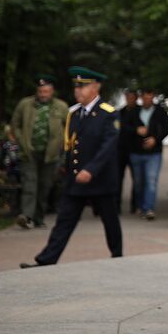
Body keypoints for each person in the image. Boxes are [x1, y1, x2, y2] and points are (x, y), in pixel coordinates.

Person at [21, 67, 124, 267]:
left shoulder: (108, 114)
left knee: (110, 221)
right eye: (76, 87)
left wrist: (91, 170)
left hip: (99, 179)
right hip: (76, 179)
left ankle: (118, 257)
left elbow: (108, 147)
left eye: (83, 87)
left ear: (96, 87)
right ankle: (46, 260)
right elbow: (71, 146)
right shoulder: (74, 113)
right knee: (64, 221)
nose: (78, 91)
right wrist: (65, 166)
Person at [8, 75, 70, 229]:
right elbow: (15, 124)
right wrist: (19, 139)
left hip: (51, 154)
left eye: (46, 91)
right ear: (37, 91)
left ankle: (39, 217)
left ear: (52, 91)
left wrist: (64, 145)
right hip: (29, 151)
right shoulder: (25, 104)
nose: (43, 94)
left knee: (44, 185)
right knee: (30, 183)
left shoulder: (61, 107)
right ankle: (26, 216)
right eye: (41, 91)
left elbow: (69, 128)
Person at [121, 89, 168, 220]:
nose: (148, 100)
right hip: (136, 152)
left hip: (154, 153)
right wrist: (136, 130)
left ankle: (149, 208)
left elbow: (166, 128)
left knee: (151, 180)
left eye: (150, 97)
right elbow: (124, 127)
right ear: (141, 98)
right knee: (138, 182)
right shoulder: (135, 112)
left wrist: (156, 139)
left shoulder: (160, 112)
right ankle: (141, 206)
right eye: (145, 98)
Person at [116, 88, 139, 210]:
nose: (129, 100)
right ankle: (117, 204)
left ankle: (135, 204)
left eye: (131, 97)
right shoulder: (121, 112)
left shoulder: (139, 111)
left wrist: (132, 130)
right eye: (127, 97)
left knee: (137, 179)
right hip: (121, 149)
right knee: (118, 178)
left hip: (135, 149)